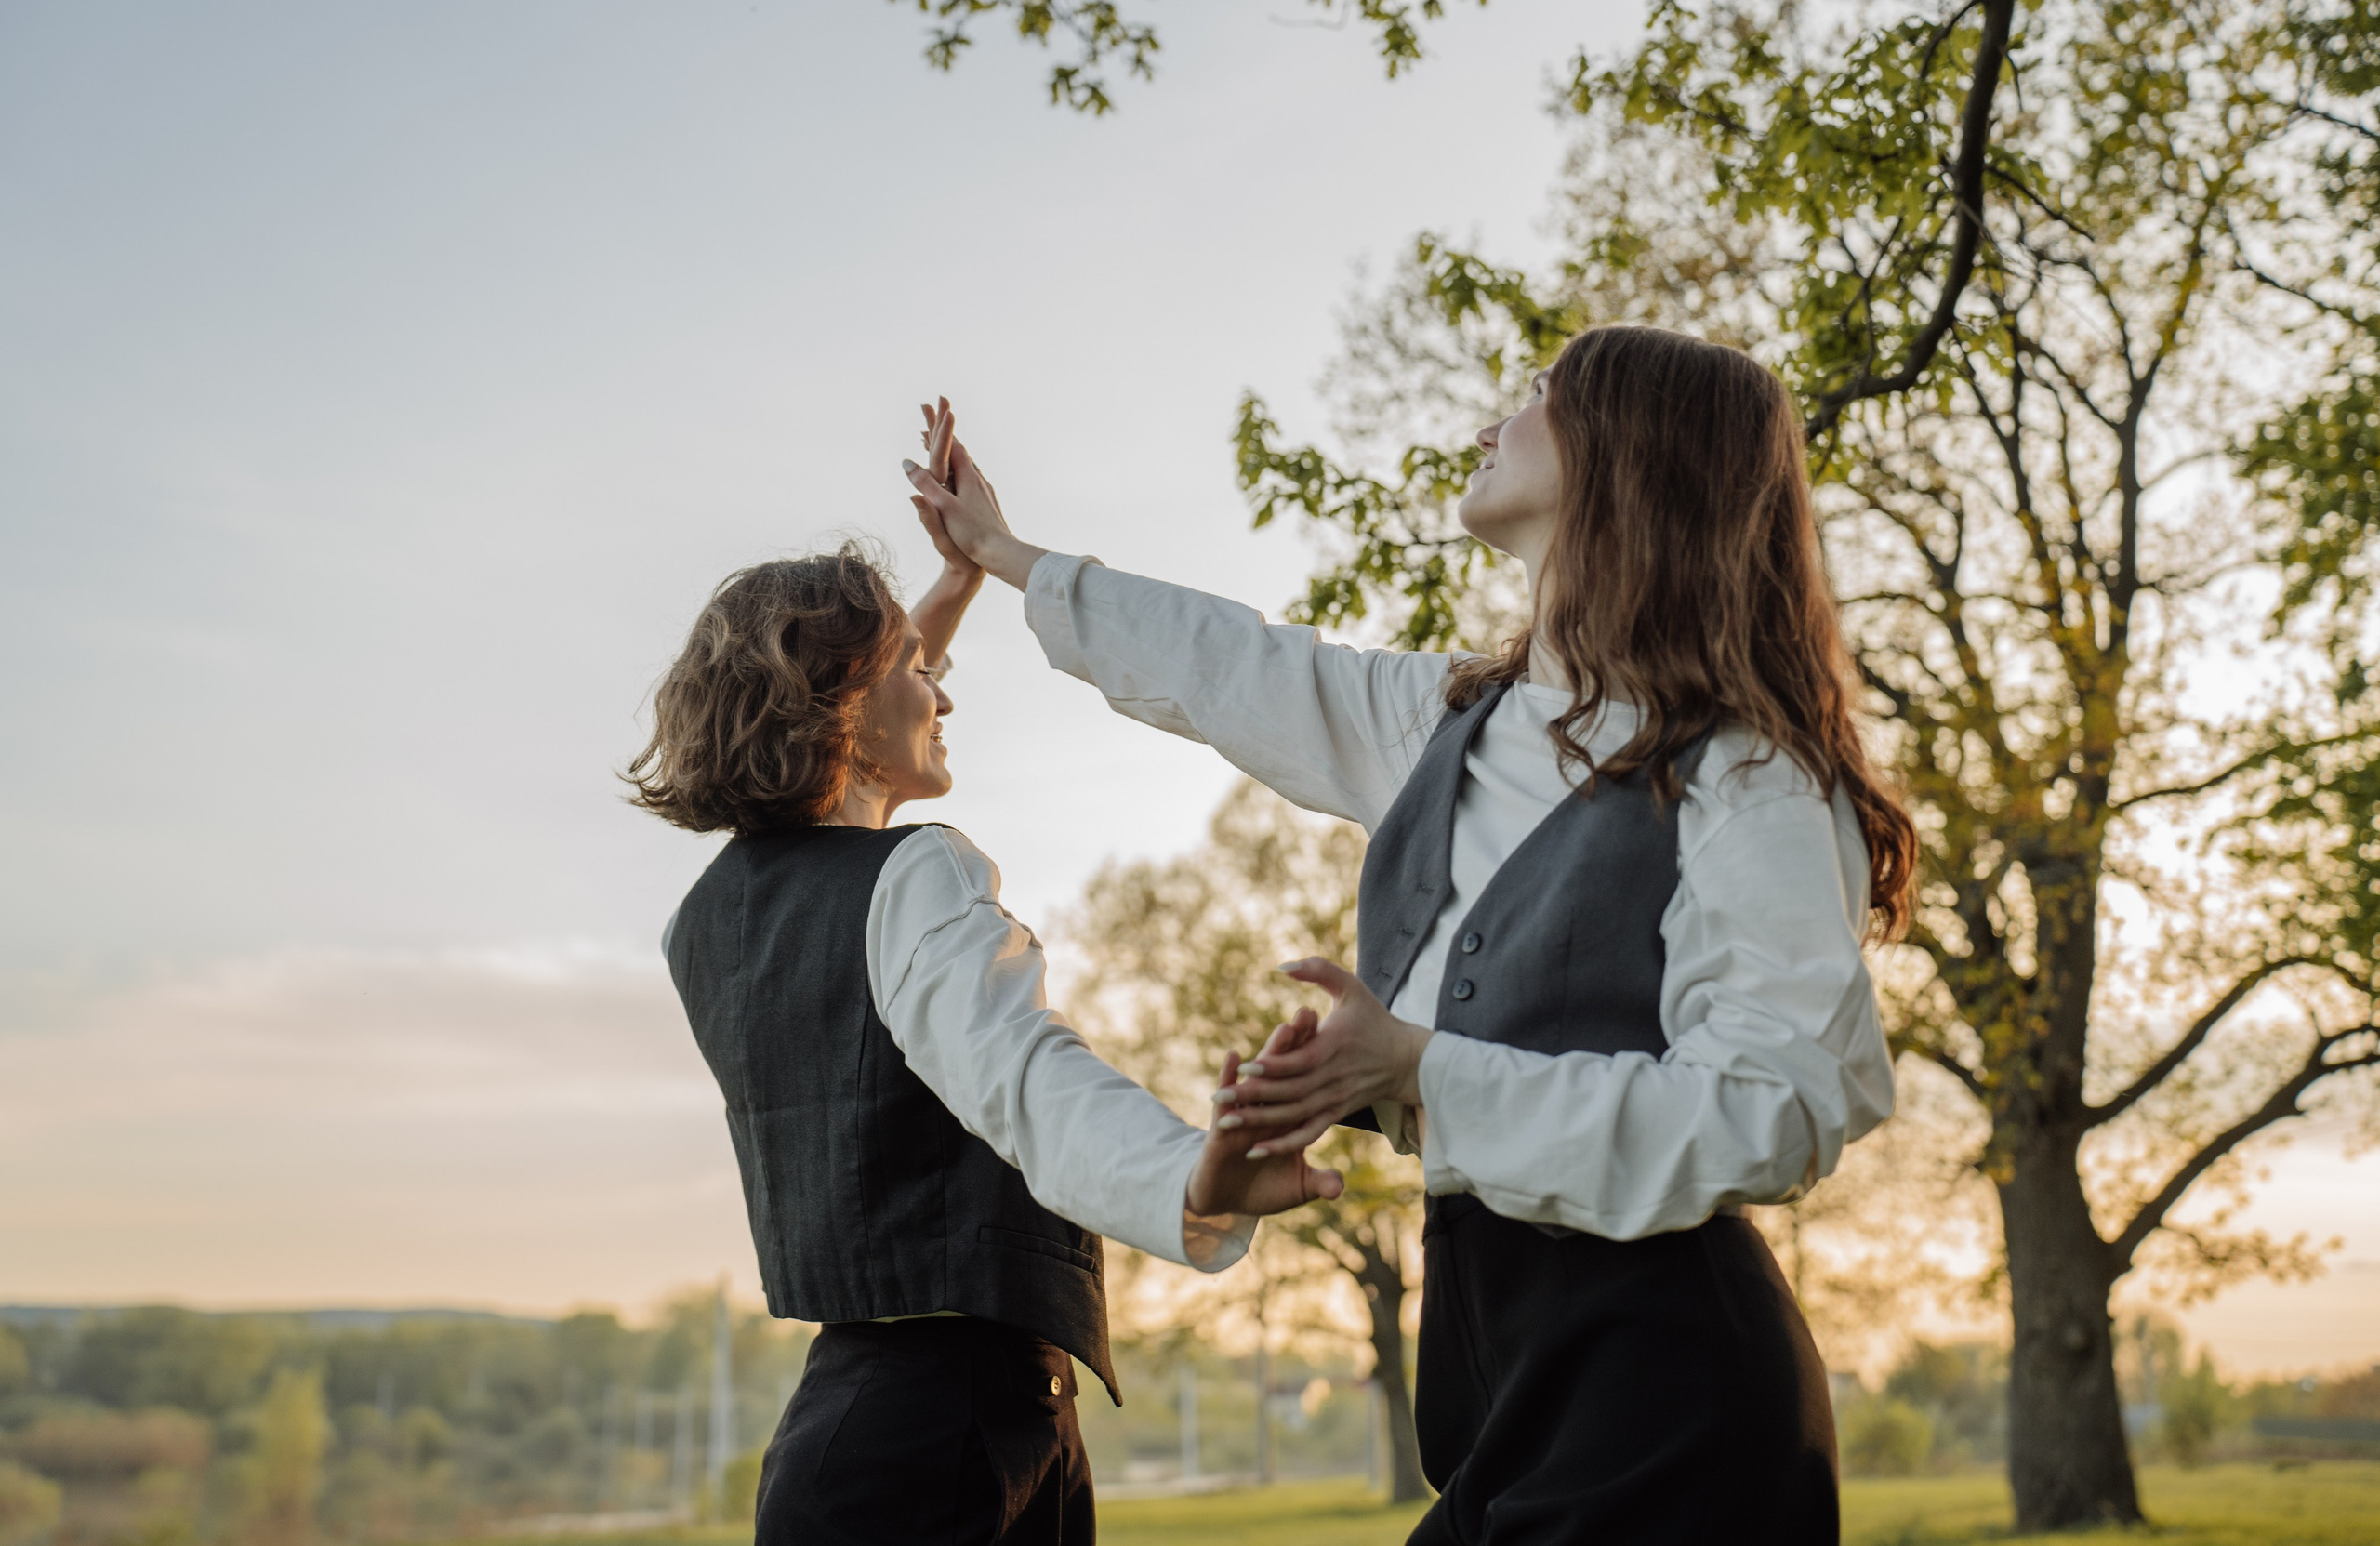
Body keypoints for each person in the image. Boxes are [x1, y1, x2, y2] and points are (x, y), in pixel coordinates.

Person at [903, 328, 1918, 1545]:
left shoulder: (1750, 775)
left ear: (1630, 457)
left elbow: (1774, 1109)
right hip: (1493, 1380)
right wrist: (1004, 555)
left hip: (1672, 1390)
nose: (1491, 424)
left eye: (1537, 398)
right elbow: (1234, 663)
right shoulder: (1447, 722)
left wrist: (1420, 1067)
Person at [628, 406, 1339, 1546]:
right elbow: (1018, 1073)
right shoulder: (914, 877)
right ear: (844, 712)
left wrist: (957, 581)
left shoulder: (703, 921)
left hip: (855, 1424)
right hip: (950, 1440)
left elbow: (847, 716)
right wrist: (1188, 1184)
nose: (944, 691)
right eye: (917, 671)